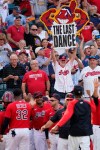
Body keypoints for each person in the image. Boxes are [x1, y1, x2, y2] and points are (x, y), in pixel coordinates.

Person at [51, 86, 96, 150]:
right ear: (82, 93)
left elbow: (67, 115)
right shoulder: (87, 103)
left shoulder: (72, 103)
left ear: (74, 93)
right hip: (85, 133)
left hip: (74, 133)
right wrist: (90, 97)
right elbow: (94, 110)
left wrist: (57, 125)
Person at [92, 78, 100, 150]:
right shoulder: (98, 101)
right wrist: (96, 88)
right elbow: (95, 97)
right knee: (97, 147)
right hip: (98, 127)